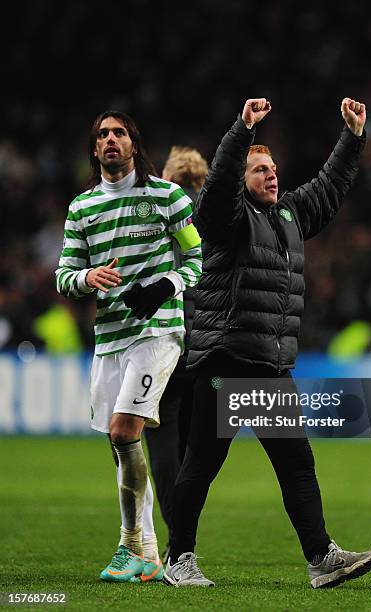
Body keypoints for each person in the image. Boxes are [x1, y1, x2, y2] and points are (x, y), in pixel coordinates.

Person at [164, 97, 371, 589]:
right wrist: (242, 130)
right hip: (227, 360)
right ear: (242, 179)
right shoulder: (226, 219)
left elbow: (329, 187)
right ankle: (180, 558)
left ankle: (321, 558)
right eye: (259, 169)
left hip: (266, 364)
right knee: (204, 462)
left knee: (294, 463)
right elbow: (217, 183)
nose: (271, 175)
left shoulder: (287, 217)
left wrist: (352, 135)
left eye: (273, 168)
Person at [55, 111, 202, 582]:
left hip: (157, 332)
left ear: (134, 144)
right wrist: (87, 277)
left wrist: (165, 285)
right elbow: (64, 276)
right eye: (102, 135)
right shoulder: (82, 209)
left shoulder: (166, 196)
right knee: (123, 447)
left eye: (119, 133)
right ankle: (149, 554)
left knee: (124, 431)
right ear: (95, 149)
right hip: (110, 338)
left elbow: (198, 257)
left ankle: (129, 545)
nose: (111, 140)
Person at [144, 146, 208, 564]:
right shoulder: (215, 220)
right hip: (202, 348)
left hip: (162, 341)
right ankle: (183, 536)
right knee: (190, 451)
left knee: (162, 445)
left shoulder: (153, 215)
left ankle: (177, 539)